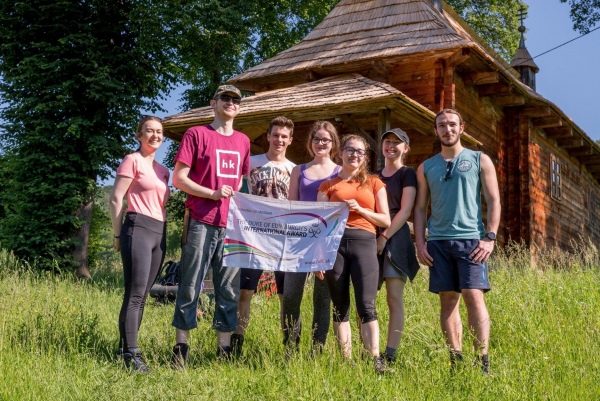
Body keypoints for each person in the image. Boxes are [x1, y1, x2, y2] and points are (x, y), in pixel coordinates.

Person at [413, 108, 501, 374]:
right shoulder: (426, 167)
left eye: (452, 124)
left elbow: (494, 199)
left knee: (474, 296)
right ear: (436, 130)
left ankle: (482, 361)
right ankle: (456, 361)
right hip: (438, 242)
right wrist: (420, 242)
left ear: (461, 128)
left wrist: (490, 237)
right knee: (448, 300)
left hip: (471, 241)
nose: (447, 129)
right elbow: (419, 208)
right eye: (442, 125)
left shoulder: (479, 159)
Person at [170, 85, 250, 367]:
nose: (230, 103)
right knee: (191, 285)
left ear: (239, 108)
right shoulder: (197, 134)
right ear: (213, 103)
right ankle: (181, 349)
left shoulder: (243, 140)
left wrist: (230, 192)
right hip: (201, 221)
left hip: (231, 226)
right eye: (225, 98)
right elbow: (179, 179)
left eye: (236, 100)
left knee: (228, 289)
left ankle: (224, 352)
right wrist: (212, 193)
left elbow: (240, 179)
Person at [317, 134, 392, 374]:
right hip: (334, 246)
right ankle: (346, 361)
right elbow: (318, 223)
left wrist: (360, 210)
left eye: (359, 151)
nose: (354, 155)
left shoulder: (374, 182)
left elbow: (385, 220)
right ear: (341, 153)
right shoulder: (327, 186)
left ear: (365, 157)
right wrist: (318, 256)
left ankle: (375, 360)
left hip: (364, 243)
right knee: (340, 305)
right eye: (350, 150)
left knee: (367, 305)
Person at [109, 116, 170, 373]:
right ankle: (132, 355)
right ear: (139, 135)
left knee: (143, 296)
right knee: (134, 295)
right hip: (137, 228)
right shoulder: (131, 160)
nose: (154, 135)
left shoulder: (163, 170)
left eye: (159, 132)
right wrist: (117, 236)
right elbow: (115, 199)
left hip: (159, 232)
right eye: (149, 131)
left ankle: (124, 348)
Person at [231, 116, 296, 357]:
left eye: (284, 136)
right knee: (245, 292)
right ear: (268, 136)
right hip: (252, 237)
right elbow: (235, 187)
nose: (279, 139)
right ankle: (237, 343)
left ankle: (288, 347)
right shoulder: (251, 163)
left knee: (284, 295)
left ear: (290, 140)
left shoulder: (294, 169)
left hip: (282, 238)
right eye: (275, 135)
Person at [282, 121, 341, 353]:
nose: (320, 143)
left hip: (327, 241)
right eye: (316, 139)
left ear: (333, 143)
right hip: (299, 240)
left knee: (322, 298)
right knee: (291, 295)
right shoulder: (300, 170)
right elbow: (291, 206)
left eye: (325, 139)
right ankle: (290, 348)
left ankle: (317, 350)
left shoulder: (340, 171)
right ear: (310, 142)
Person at [374, 128, 419, 364]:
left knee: (393, 298)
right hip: (370, 236)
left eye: (397, 142)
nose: (391, 146)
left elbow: (406, 210)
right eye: (387, 141)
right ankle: (371, 352)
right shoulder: (372, 176)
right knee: (367, 298)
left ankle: (389, 355)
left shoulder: (407, 174)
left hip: (396, 238)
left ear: (406, 148)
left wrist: (385, 236)